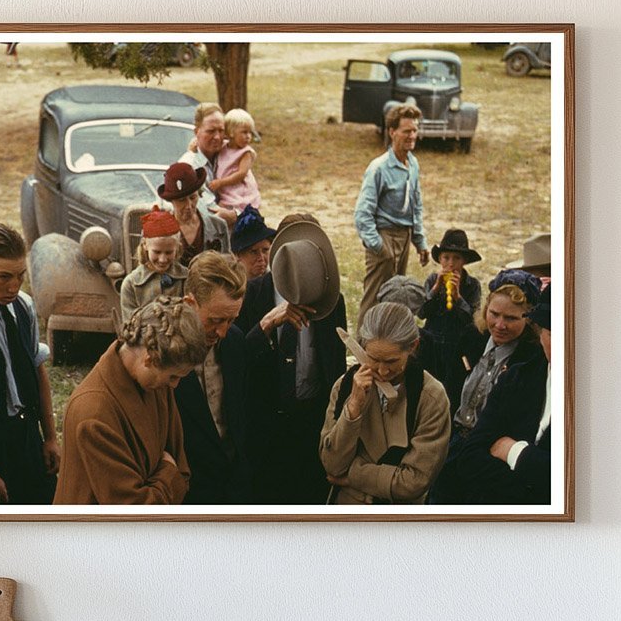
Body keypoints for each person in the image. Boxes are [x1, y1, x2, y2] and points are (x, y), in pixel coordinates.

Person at [54, 296, 208, 505]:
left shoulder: (157, 383)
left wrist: (163, 480)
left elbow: (181, 466)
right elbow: (132, 510)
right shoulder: (93, 413)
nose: (175, 385)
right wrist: (168, 474)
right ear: (149, 359)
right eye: (173, 376)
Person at [238, 213, 347, 504]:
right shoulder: (252, 294)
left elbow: (335, 363)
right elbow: (238, 360)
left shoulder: (331, 299)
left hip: (312, 424)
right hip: (266, 429)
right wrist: (267, 324)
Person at [0, 223, 59, 505]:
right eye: (4, 277)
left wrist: (50, 437)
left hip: (27, 436)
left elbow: (36, 368)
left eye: (20, 276)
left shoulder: (23, 306)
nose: (14, 286)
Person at [427, 270, 544, 504]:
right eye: (494, 314)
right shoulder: (471, 337)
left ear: (528, 318)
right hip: (451, 440)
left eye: (511, 318)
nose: (500, 325)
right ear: (485, 309)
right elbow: (450, 388)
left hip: (487, 456)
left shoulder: (531, 360)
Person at [320, 302, 450, 505]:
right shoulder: (345, 386)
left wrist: (353, 476)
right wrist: (353, 408)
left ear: (413, 346)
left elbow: (415, 481)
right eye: (373, 359)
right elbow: (332, 465)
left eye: (391, 361)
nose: (381, 371)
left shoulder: (431, 397)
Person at [452, 285, 554, 504]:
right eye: (553, 334)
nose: (500, 325)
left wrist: (513, 451)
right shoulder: (518, 378)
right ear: (542, 332)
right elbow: (471, 458)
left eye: (510, 318)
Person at [175, 252, 251, 504]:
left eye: (232, 320)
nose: (223, 331)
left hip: (233, 487)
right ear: (189, 302)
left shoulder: (235, 340)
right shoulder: (166, 352)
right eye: (215, 320)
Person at [354, 103, 429, 331]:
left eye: (415, 130)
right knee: (374, 299)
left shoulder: (412, 163)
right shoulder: (379, 168)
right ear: (392, 131)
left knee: (396, 298)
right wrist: (379, 246)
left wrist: (420, 241)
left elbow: (416, 204)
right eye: (407, 131)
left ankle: (387, 350)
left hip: (404, 237)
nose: (412, 136)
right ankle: (363, 355)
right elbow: (362, 214)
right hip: (384, 237)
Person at [419, 229, 483, 408]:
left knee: (452, 391)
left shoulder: (472, 285)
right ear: (440, 259)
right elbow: (421, 312)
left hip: (457, 347)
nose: (451, 263)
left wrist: (458, 299)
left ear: (464, 262)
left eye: (456, 258)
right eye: (446, 257)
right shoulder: (432, 280)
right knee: (428, 388)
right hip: (432, 345)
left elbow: (474, 320)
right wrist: (436, 288)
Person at [119, 208, 188, 323]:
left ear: (177, 247)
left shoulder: (186, 278)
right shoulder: (131, 284)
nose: (162, 259)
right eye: (157, 252)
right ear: (145, 245)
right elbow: (129, 325)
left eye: (169, 252)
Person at [178, 102, 236, 226]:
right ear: (196, 132)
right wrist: (237, 214)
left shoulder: (228, 156)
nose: (217, 137)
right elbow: (210, 212)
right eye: (210, 131)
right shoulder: (189, 166)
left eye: (221, 131)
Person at [157, 162, 230, 258]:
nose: (189, 205)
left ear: (199, 194)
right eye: (181, 200)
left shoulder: (219, 226)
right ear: (171, 201)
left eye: (193, 197)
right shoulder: (158, 231)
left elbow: (228, 266)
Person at [210, 108, 261, 214]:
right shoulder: (223, 146)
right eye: (244, 132)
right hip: (226, 190)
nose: (248, 137)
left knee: (231, 210)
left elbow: (241, 174)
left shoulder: (246, 152)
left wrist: (221, 182)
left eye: (250, 133)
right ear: (232, 133)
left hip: (240, 191)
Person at [229, 205, 276, 281]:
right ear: (237, 255)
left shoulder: (276, 283)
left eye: (265, 250)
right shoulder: (229, 287)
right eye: (254, 252)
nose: (261, 258)